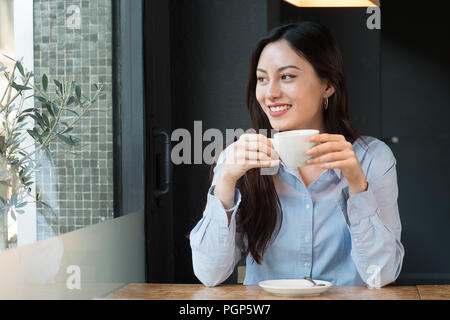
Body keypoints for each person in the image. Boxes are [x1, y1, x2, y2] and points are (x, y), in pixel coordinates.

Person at [189, 21, 404, 287]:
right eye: (262, 79)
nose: (270, 93)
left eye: (287, 76)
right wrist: (225, 181)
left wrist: (357, 185)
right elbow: (210, 275)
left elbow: (382, 275)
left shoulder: (372, 159)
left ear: (328, 85)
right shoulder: (239, 160)